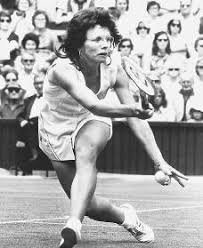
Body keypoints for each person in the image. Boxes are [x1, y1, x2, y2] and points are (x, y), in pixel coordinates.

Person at [38, 7, 188, 248]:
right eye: (97, 39)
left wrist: (160, 161)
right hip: (56, 128)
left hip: (93, 119)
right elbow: (93, 103)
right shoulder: (62, 69)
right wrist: (131, 111)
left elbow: (131, 117)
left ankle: (73, 224)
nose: (105, 45)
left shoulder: (114, 66)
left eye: (109, 39)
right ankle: (126, 217)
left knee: (87, 150)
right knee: (89, 205)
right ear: (78, 43)